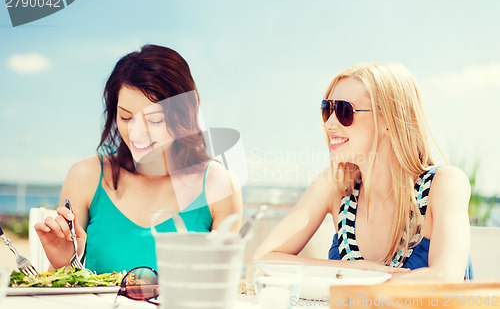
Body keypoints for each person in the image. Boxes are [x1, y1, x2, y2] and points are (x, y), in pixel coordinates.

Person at [251, 62, 472, 281]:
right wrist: (355, 272)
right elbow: (260, 262)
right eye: (327, 110)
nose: (329, 124)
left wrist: (352, 281)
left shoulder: (444, 184)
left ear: (388, 120)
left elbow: (444, 279)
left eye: (344, 111)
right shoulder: (335, 186)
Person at [35, 45, 243, 274]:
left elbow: (223, 287)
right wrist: (63, 264)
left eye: (154, 120)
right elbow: (59, 294)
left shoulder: (218, 184)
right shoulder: (86, 176)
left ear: (185, 116)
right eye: (125, 117)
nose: (137, 133)